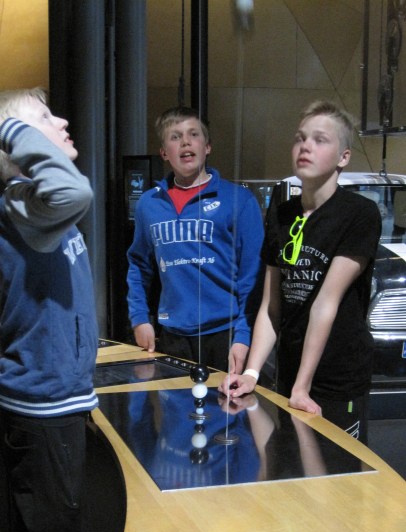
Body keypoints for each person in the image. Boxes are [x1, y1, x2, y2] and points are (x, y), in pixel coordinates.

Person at [0, 88, 113, 532]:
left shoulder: (30, 204)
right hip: (44, 401)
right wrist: (8, 126)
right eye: (46, 117)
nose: (63, 121)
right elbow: (76, 190)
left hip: (41, 396)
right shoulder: (29, 201)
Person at [220, 100, 382, 444]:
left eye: (320, 140)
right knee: (288, 466)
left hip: (337, 378)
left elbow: (326, 303)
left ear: (344, 157)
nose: (305, 146)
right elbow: (271, 306)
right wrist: (252, 372)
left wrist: (302, 387)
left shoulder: (360, 214)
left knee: (337, 469)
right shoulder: (281, 214)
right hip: (290, 373)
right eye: (300, 138)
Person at [127, 105, 264, 373]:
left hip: (226, 335)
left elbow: (252, 277)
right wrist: (139, 318)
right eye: (175, 137)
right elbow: (139, 266)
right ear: (164, 152)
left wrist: (244, 335)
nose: (186, 142)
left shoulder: (239, 200)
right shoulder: (148, 204)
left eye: (194, 134)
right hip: (172, 335)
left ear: (207, 146)